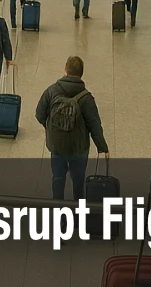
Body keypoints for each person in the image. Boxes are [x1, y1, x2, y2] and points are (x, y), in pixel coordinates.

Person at [35, 56, 109, 201]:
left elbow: (39, 114)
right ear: (81, 73)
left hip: (57, 145)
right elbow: (94, 125)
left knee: (57, 179)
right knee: (78, 183)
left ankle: (59, 216)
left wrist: (51, 128)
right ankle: (77, 215)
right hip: (79, 149)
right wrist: (103, 147)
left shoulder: (51, 91)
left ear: (65, 69)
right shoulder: (86, 98)